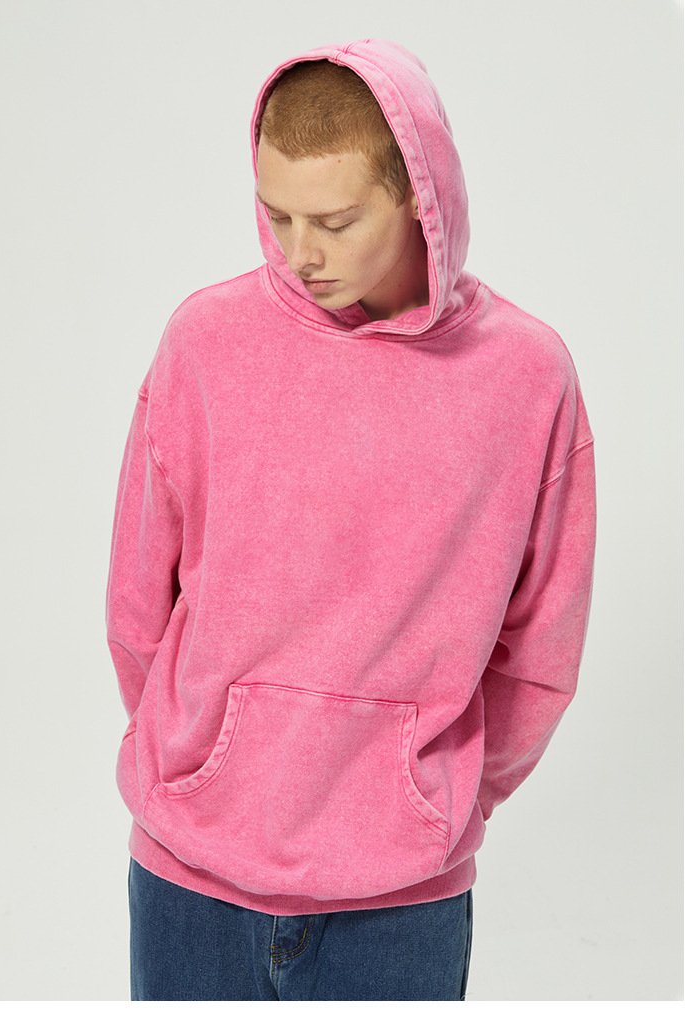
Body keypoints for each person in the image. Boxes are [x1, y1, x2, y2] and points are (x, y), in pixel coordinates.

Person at [106, 39, 596, 1001]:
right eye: (277, 214)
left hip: (401, 903)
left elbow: (542, 650)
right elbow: (136, 606)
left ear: (419, 192)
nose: (302, 253)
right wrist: (198, 759)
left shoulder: (527, 379)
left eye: (334, 220)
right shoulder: (204, 344)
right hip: (188, 880)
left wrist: (431, 798)